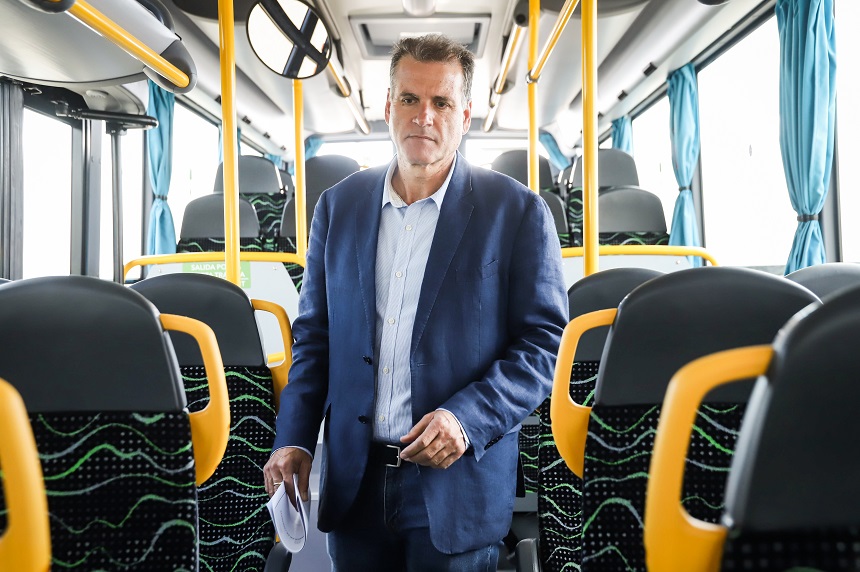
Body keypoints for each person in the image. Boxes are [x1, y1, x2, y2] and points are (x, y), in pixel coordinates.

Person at [263, 33, 567, 571]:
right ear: (388, 107)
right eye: (409, 98)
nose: (423, 116)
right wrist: (295, 441)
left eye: (441, 102)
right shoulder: (337, 207)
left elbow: (543, 345)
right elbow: (315, 338)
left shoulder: (516, 212)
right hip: (355, 482)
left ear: (464, 116)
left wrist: (466, 419)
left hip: (457, 483)